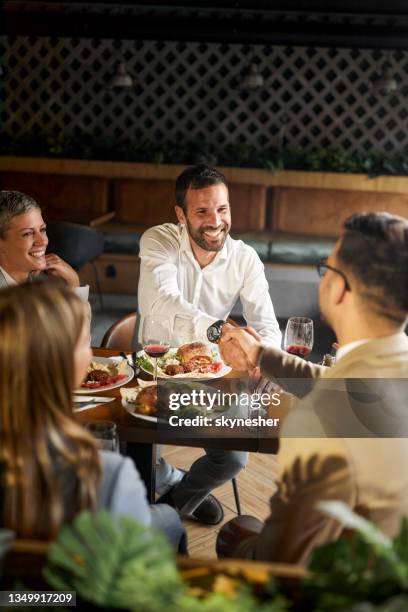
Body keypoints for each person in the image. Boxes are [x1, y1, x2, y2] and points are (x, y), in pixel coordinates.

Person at [217, 211, 408, 564]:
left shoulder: (317, 423)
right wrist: (262, 354)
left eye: (327, 267)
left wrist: (238, 546)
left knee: (235, 528)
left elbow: (282, 566)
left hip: (348, 592)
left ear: (340, 287)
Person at [138, 164, 282, 525]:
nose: (215, 221)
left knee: (233, 459)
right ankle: (172, 479)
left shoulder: (245, 258)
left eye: (222, 209)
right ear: (181, 215)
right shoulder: (159, 240)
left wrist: (268, 357)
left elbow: (266, 324)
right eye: (202, 211)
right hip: (154, 370)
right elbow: (162, 302)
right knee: (129, 446)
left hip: (213, 376)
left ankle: (170, 508)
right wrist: (221, 331)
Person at [0, 280, 185, 551]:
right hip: (82, 587)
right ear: (66, 363)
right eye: (83, 341)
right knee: (170, 519)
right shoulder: (107, 475)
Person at [0, 190, 88, 300]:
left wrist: (73, 281)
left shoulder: (38, 284)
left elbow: (71, 317)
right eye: (27, 233)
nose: (42, 241)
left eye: (42, 229)